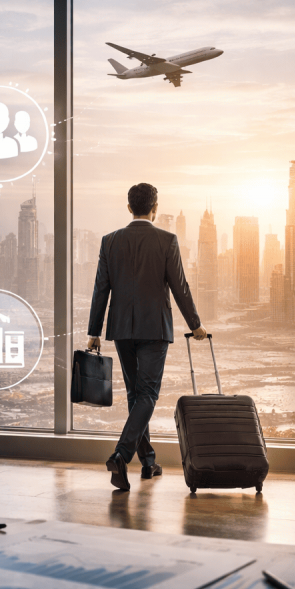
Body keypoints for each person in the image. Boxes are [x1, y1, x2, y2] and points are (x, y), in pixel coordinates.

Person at [87, 182, 207, 491]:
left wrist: (94, 332)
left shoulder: (109, 241)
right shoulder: (167, 240)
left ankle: (149, 461)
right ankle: (121, 455)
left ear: (129, 208)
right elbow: (180, 286)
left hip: (122, 330)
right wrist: (195, 325)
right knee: (148, 394)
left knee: (135, 395)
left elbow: (101, 289)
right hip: (155, 330)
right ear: (154, 209)